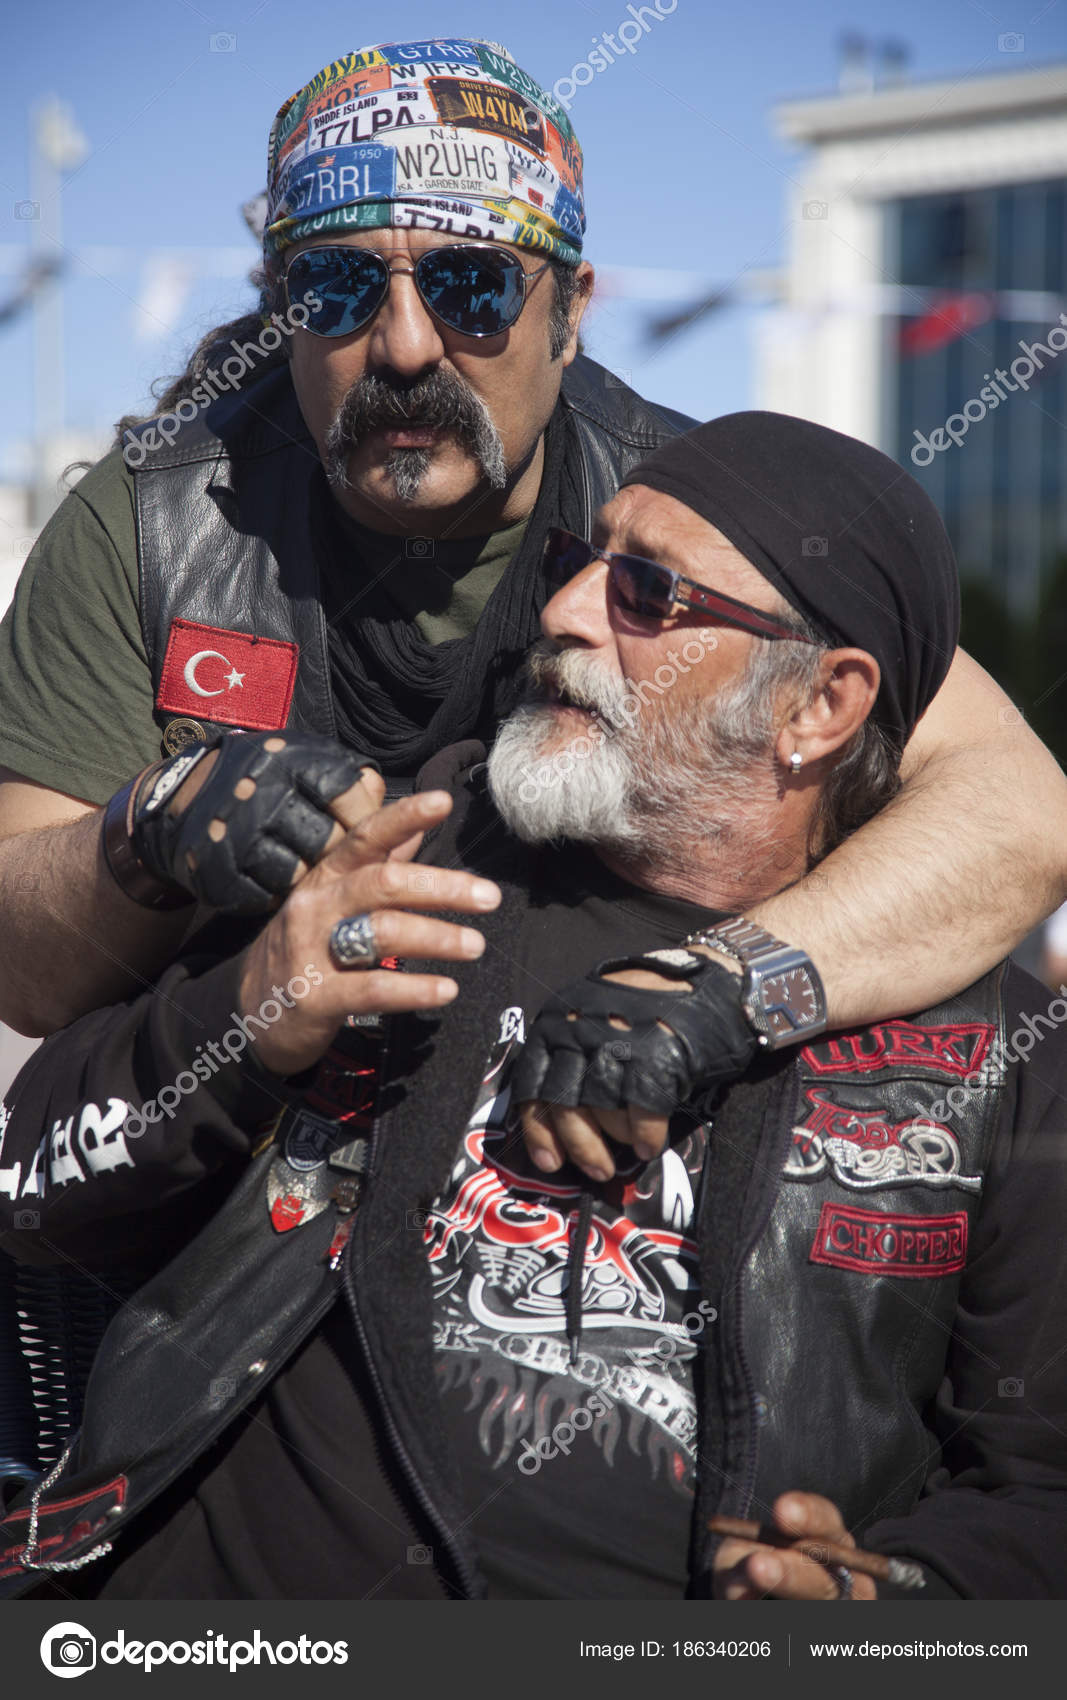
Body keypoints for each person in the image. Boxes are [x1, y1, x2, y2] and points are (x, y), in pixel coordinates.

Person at [1, 413, 1064, 1603]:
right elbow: (33, 1196)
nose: (562, 614)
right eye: (579, 564)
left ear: (817, 705)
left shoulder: (989, 1051)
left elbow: (1040, 1490)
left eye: (649, 594)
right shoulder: (391, 857)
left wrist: (892, 1594)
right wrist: (251, 1015)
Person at [0, 39, 1063, 1084]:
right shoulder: (151, 520)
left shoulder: (690, 513)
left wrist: (726, 989)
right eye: (337, 288)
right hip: (213, 1171)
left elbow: (1017, 815)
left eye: (471, 286)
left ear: (570, 309)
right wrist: (151, 832)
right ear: (284, 311)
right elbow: (23, 970)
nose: (406, 345)